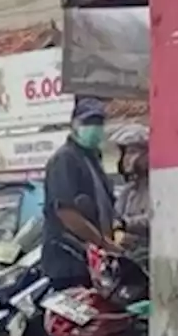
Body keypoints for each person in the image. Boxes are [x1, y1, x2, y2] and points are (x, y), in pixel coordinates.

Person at [41, 97, 119, 289]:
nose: (94, 128)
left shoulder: (94, 159)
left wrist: (117, 230)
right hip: (70, 262)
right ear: (74, 125)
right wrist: (102, 243)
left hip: (96, 263)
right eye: (88, 122)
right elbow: (66, 212)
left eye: (98, 123)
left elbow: (107, 205)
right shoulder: (65, 159)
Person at [111, 122, 150, 268]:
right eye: (125, 152)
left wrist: (127, 224)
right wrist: (117, 230)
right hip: (129, 261)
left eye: (133, 151)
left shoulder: (159, 188)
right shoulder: (128, 191)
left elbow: (158, 219)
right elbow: (116, 217)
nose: (127, 158)